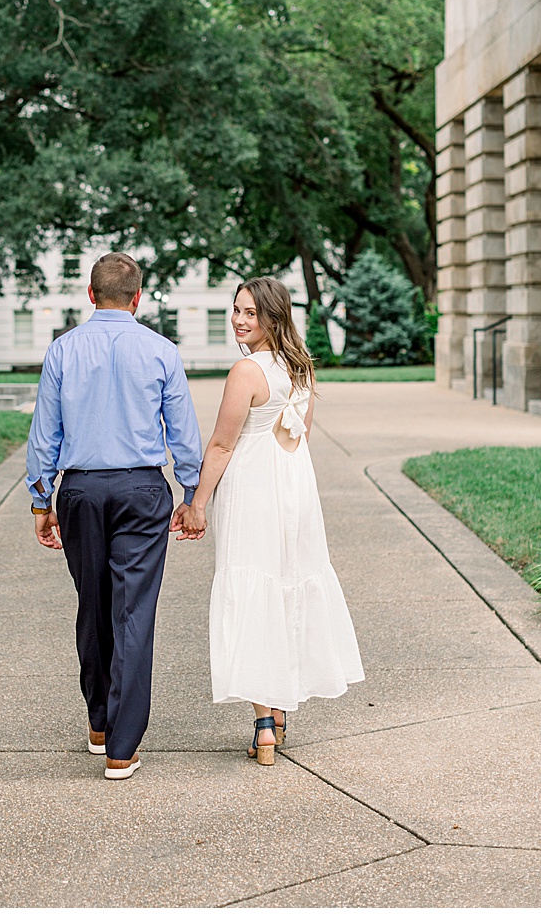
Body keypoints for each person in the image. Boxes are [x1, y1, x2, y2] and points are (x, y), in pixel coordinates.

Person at [27, 250, 204, 781]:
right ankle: (121, 748)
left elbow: (46, 433)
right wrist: (191, 492)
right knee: (133, 612)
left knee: (94, 604)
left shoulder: (63, 350)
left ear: (90, 295)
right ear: (138, 298)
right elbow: (184, 434)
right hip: (142, 489)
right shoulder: (161, 351)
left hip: (80, 492)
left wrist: (42, 500)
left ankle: (100, 722)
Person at [176, 276, 363, 764]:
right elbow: (300, 436)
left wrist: (197, 503)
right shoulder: (301, 369)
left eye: (250, 313)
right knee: (287, 585)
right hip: (296, 487)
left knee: (256, 590)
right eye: (236, 310)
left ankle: (263, 723)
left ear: (273, 318)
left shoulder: (247, 371)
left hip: (254, 489)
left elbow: (221, 444)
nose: (239, 320)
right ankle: (280, 711)